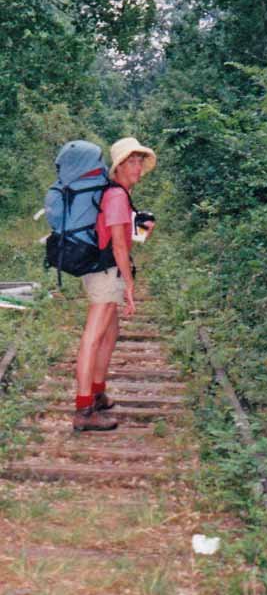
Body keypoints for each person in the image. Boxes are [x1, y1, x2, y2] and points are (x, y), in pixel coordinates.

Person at [73, 137, 156, 432]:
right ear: (118, 167)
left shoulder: (116, 194)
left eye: (139, 161)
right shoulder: (118, 196)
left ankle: (97, 392)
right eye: (131, 162)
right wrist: (130, 287)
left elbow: (118, 236)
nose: (137, 167)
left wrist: (142, 231)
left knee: (110, 332)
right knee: (93, 338)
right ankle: (84, 409)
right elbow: (119, 248)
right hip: (106, 272)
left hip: (101, 270)